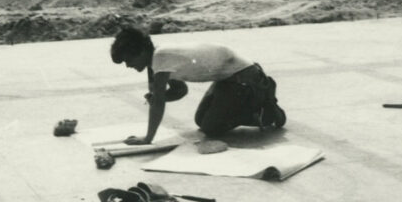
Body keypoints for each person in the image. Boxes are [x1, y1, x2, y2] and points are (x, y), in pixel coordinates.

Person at [110, 27, 285, 144]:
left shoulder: (161, 58)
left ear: (141, 51)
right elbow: (180, 91)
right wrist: (158, 96)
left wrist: (147, 138)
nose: (128, 65)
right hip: (227, 78)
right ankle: (250, 102)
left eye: (129, 60)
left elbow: (159, 106)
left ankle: (266, 110)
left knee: (211, 127)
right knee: (201, 120)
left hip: (245, 77)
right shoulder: (157, 61)